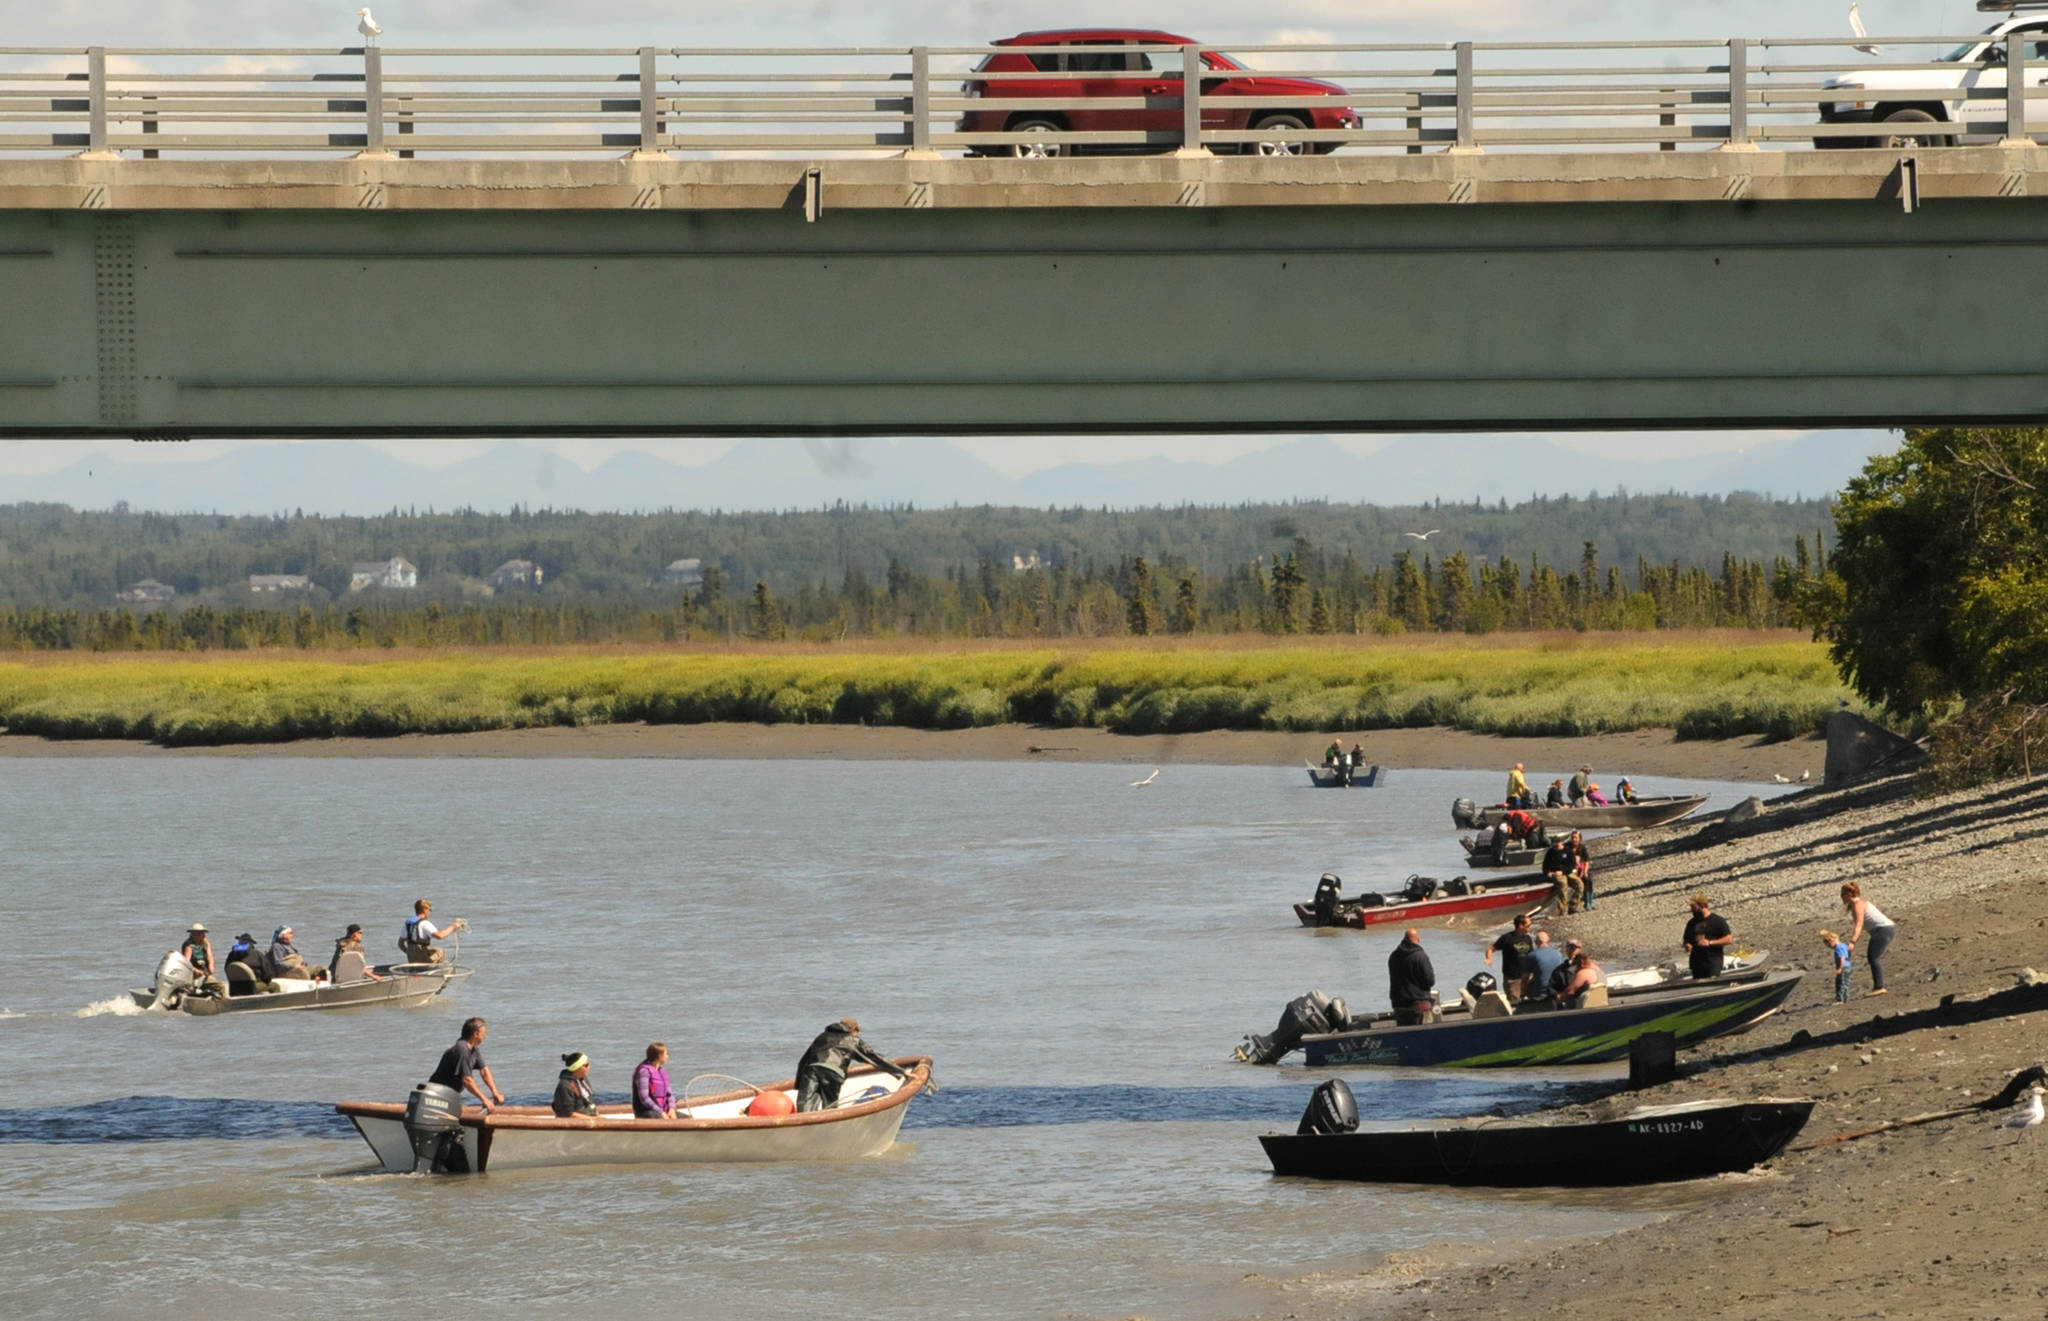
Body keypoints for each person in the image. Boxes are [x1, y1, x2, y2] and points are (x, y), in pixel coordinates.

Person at [795, 1018, 909, 1112]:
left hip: (812, 1069)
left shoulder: (822, 1036)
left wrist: (798, 1084)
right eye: (857, 1031)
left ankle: (802, 1127)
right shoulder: (853, 1040)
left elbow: (803, 1061)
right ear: (853, 1029)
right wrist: (901, 1072)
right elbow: (875, 1057)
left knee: (805, 1103)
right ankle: (829, 1131)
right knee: (830, 1106)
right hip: (833, 1072)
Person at [429, 1017, 504, 1113]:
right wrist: (485, 1100)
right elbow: (467, 1080)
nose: (486, 1036)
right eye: (484, 1033)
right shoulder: (462, 1049)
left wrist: (495, 1093)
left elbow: (484, 1071)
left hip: (449, 1095)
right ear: (476, 1034)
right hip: (436, 1095)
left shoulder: (473, 1049)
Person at [1841, 881, 1897, 996]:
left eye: (1842, 894)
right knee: (1873, 957)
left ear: (1849, 894)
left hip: (1883, 929)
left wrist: (1852, 942)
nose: (1841, 897)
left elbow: (1859, 925)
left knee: (1873, 957)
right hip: (1885, 929)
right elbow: (1860, 926)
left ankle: (1879, 987)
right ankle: (1878, 986)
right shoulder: (1857, 904)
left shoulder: (1858, 904)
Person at [1386, 928, 1436, 1026]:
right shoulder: (1420, 956)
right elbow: (1430, 981)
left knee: (1404, 1037)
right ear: (1418, 939)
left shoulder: (1393, 956)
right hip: (1419, 1005)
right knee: (1425, 1037)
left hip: (1399, 1006)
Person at [1485, 912, 1536, 1001]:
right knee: (1515, 1003)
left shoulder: (1528, 938)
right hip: (1513, 979)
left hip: (1528, 977)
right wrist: (1489, 958)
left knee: (1532, 1002)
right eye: (1528, 925)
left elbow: (1532, 956)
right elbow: (1490, 949)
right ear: (1521, 926)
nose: (1530, 927)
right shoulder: (1507, 938)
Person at [1683, 894, 1734, 979]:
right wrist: (1687, 945)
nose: (1691, 910)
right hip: (1696, 964)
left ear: (1702, 905)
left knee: (1712, 983)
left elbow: (1729, 939)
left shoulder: (1717, 921)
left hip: (1712, 962)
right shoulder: (1691, 923)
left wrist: (1710, 943)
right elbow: (1686, 939)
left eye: (1694, 907)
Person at [400, 899, 465, 965]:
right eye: (430, 910)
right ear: (425, 909)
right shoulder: (424, 923)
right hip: (423, 957)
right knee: (440, 951)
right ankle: (446, 973)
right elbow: (440, 936)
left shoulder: (407, 924)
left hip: (412, 958)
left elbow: (400, 944)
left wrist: (410, 953)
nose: (430, 912)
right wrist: (453, 927)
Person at [1543, 832, 1590, 914]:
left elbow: (1572, 865)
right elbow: (1545, 866)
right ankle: (1562, 910)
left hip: (1567, 872)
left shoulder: (1568, 851)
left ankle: (1572, 906)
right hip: (1556, 873)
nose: (1557, 844)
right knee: (1563, 885)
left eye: (1558, 842)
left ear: (1561, 842)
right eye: (1555, 842)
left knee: (1580, 885)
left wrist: (1563, 871)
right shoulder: (1550, 852)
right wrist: (1548, 873)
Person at [178, 923, 227, 998]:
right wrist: (197, 971)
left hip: (204, 973)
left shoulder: (206, 943)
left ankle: (220, 1003)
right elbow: (186, 964)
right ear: (192, 934)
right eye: (195, 934)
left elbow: (210, 956)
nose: (198, 936)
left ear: (203, 934)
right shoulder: (189, 945)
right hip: (193, 973)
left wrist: (211, 967)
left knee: (220, 986)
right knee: (219, 987)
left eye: (200, 934)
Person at [633, 1043, 677, 1118]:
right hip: (646, 1111)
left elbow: (670, 1094)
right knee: (662, 1119)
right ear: (659, 1056)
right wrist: (661, 1112)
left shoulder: (662, 1072)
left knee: (688, 1119)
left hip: (663, 1109)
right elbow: (644, 1098)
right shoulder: (644, 1072)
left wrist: (672, 1109)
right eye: (666, 1054)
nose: (668, 1056)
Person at [1556, 944, 1604, 1008]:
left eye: (1576, 965)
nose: (1576, 969)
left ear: (1581, 962)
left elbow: (1569, 992)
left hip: (1582, 1009)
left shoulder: (1583, 973)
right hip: (1599, 1006)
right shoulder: (1600, 971)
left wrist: (1557, 998)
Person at [552, 1052, 598, 1117]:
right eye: (586, 1065)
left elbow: (590, 1103)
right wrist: (592, 1120)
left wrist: (599, 1117)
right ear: (577, 1067)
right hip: (576, 1123)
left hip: (588, 1119)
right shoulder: (565, 1086)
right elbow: (567, 1114)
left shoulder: (584, 1081)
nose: (589, 1067)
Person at [1526, 930, 1566, 1003]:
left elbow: (1525, 977)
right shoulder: (1558, 954)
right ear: (1549, 941)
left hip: (1540, 994)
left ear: (1535, 942)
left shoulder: (1532, 955)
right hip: (1557, 992)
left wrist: (1523, 994)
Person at [1822, 929, 1852, 1003]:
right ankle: (1845, 998)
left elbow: (1842, 958)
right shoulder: (1844, 945)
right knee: (1846, 983)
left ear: (1831, 941)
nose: (1829, 947)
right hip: (1848, 967)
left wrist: (1840, 968)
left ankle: (1840, 999)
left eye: (1829, 945)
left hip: (1844, 968)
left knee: (1841, 983)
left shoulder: (1838, 948)